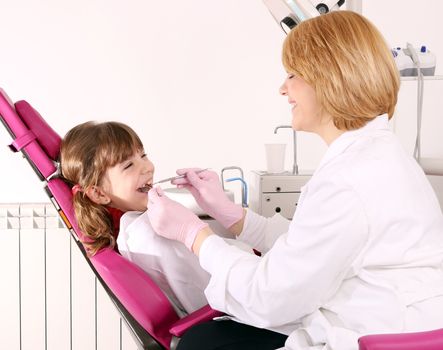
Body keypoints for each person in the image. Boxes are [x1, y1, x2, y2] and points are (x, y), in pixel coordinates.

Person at [146, 10, 443, 350]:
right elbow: (311, 244)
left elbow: (270, 295)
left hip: (379, 331)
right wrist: (234, 217)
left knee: (203, 343)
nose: (282, 89)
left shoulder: (348, 179)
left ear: (330, 78)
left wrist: (194, 234)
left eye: (292, 75)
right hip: (398, 320)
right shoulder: (377, 154)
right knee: (210, 338)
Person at [60, 121, 248, 316]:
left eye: (143, 155)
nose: (147, 167)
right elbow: (208, 295)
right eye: (128, 165)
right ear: (99, 194)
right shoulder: (144, 235)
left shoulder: (139, 226)